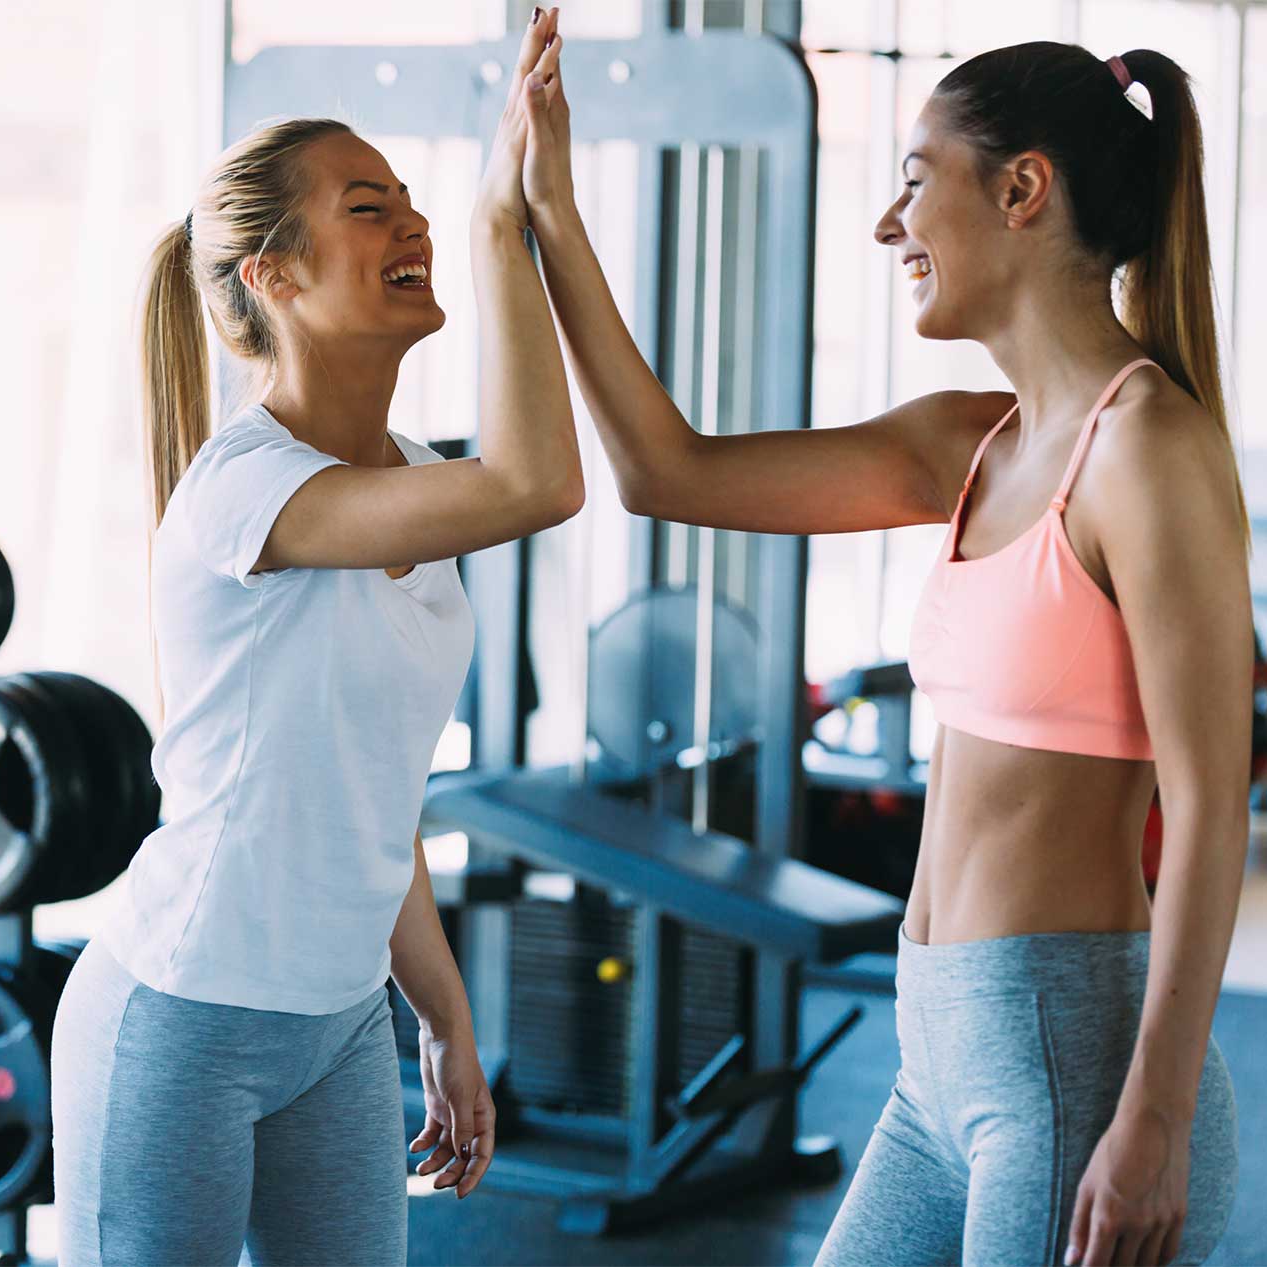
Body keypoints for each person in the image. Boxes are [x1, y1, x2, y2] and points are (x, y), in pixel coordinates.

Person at [522, 31, 1245, 1267]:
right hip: (938, 1061)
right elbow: (664, 471)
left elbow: (1212, 806)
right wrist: (550, 212)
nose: (885, 222)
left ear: (1022, 190)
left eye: (915, 178)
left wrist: (1156, 1121)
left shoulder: (1146, 453)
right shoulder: (977, 441)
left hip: (1069, 1069)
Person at [49, 12, 582, 1266]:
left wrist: (444, 1022)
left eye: (411, 200)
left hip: (340, 1020)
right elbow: (540, 484)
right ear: (274, 278)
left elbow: (373, 801)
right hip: (180, 1013)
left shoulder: (410, 472)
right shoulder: (246, 488)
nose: (413, 224)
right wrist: (512, 222)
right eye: (366, 206)